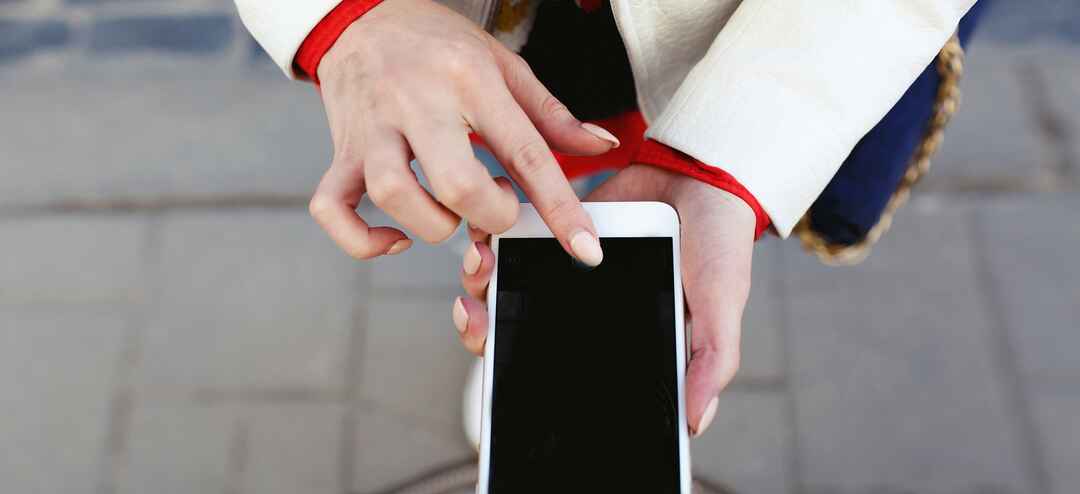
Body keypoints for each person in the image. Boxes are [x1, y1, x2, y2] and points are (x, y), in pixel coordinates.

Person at [236, 0, 976, 440]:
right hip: (464, 26)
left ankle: (558, 328)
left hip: (720, 32)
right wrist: (347, 21)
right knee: (530, 161)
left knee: (619, 159)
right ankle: (559, 317)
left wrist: (729, 150)